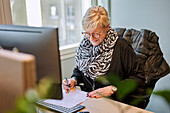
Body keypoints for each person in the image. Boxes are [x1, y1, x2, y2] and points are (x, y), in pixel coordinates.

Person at [62, 5, 147, 108]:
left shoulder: (121, 47)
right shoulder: (85, 46)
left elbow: (139, 78)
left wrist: (112, 89)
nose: (91, 38)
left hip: (115, 104)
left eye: (96, 33)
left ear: (107, 27)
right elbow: (80, 70)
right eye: (87, 33)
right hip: (89, 101)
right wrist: (74, 80)